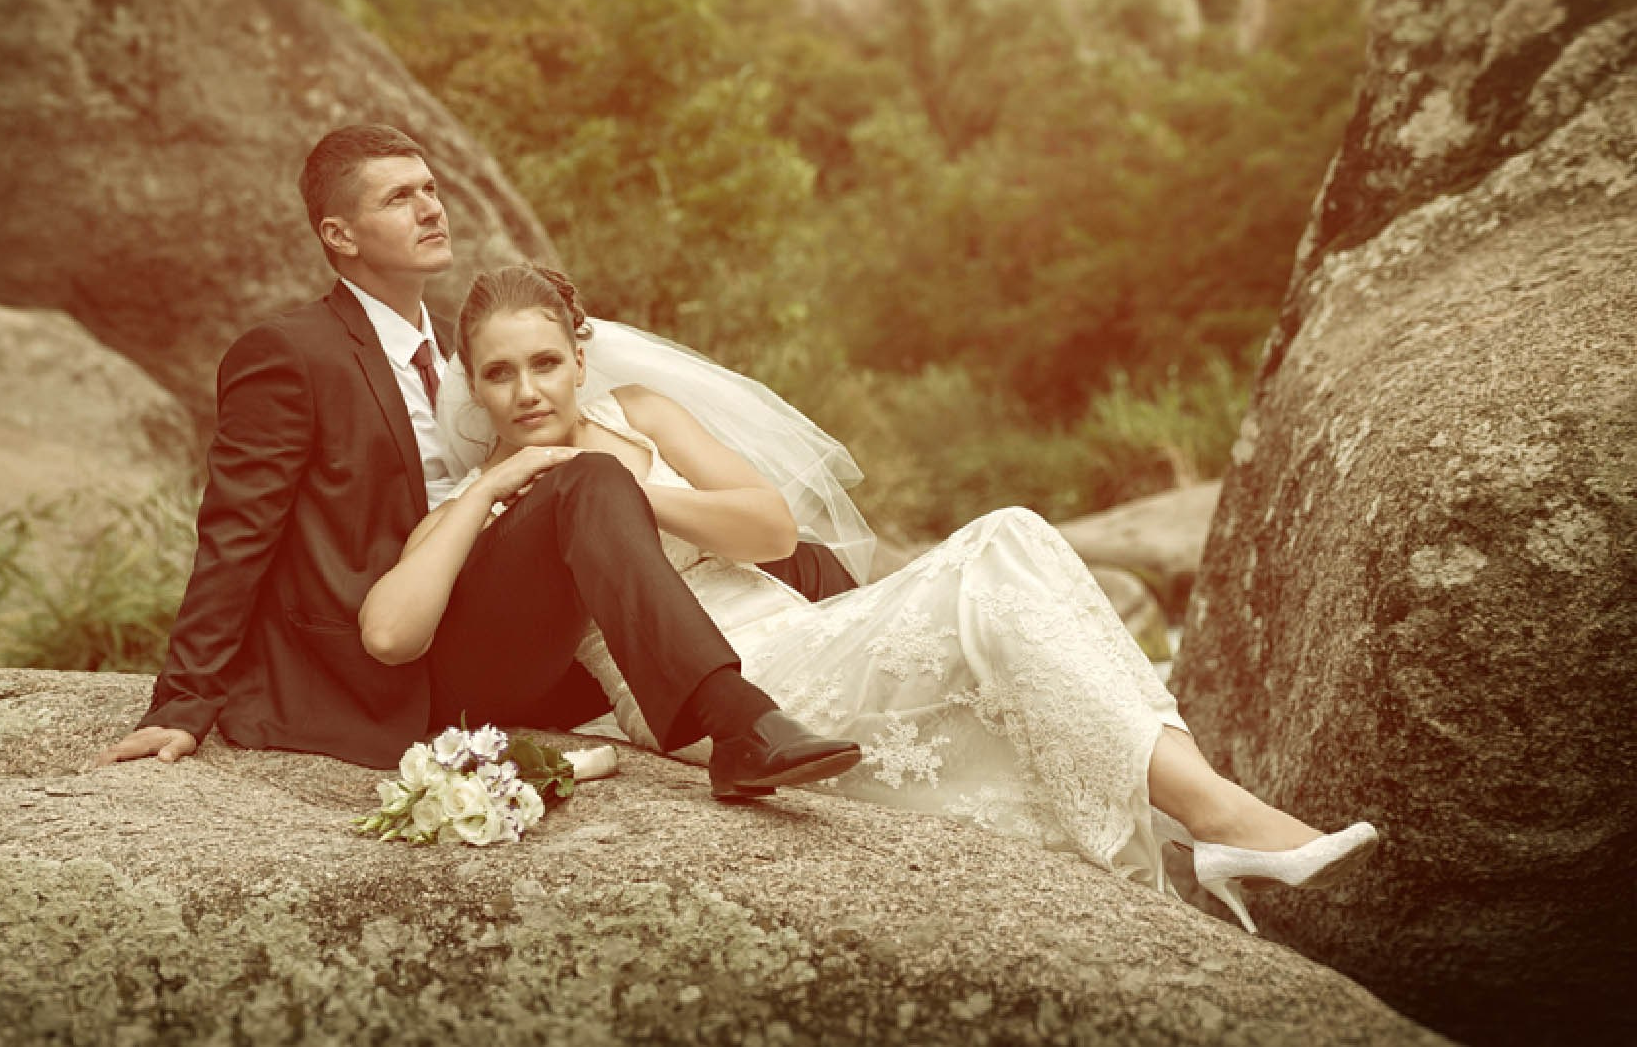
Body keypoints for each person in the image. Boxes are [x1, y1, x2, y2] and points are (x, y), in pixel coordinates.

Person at [381, 262, 1379, 933]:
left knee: (1016, 556)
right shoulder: (490, 499)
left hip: (801, 631)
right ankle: (1221, 818)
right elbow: (390, 630)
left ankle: (1208, 819)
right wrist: (494, 491)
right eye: (498, 374)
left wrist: (637, 490)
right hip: (710, 689)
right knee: (1001, 545)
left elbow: (770, 529)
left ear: (579, 356)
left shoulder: (638, 415)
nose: (526, 391)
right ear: (472, 386)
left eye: (544, 363)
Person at [93, 124, 860, 801]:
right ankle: (734, 720)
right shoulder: (292, 355)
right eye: (399, 198)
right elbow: (236, 534)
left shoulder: (466, 353)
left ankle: (797, 683)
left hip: (538, 632)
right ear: (339, 235)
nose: (431, 208)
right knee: (586, 477)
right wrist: (182, 703)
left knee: (808, 564)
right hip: (400, 651)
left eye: (431, 189)